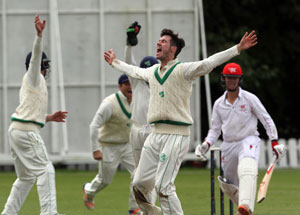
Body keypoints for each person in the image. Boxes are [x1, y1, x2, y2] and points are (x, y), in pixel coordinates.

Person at [104, 27, 258, 215]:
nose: (159, 43)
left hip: (176, 134)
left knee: (163, 186)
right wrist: (115, 63)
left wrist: (237, 48)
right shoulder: (152, 72)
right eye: (159, 41)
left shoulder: (183, 70)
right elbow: (134, 71)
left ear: (173, 49)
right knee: (139, 183)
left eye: (164, 41)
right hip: (156, 134)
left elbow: (209, 62)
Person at [195, 62, 286, 215]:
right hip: (228, 145)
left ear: (239, 80)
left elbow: (266, 120)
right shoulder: (218, 104)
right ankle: (246, 211)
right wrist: (206, 144)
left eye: (234, 78)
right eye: (229, 78)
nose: (232, 81)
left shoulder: (249, 98)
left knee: (247, 169)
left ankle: (244, 206)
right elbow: (215, 129)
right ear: (224, 79)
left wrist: (274, 142)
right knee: (229, 185)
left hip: (248, 140)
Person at [1, 15, 68, 215]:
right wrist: (39, 36)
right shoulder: (33, 76)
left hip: (17, 131)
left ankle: (8, 213)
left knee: (26, 178)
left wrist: (49, 117)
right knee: (46, 170)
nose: (46, 68)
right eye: (44, 65)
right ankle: (49, 213)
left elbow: (30, 111)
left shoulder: (34, 83)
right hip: (26, 133)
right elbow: (36, 58)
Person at [82, 74, 141, 215]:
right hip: (108, 145)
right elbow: (94, 126)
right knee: (105, 180)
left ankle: (134, 208)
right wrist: (95, 149)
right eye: (126, 84)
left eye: (131, 83)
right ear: (120, 86)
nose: (130, 87)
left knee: (138, 175)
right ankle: (89, 191)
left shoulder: (138, 100)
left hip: (127, 145)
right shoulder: (109, 103)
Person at [125, 21, 159, 210]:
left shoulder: (160, 82)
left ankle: (151, 207)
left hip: (153, 131)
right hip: (136, 130)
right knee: (138, 174)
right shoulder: (136, 81)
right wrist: (129, 43)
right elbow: (128, 62)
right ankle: (144, 209)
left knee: (151, 173)